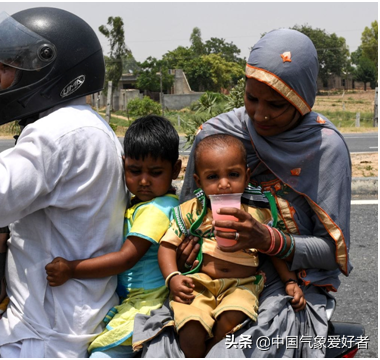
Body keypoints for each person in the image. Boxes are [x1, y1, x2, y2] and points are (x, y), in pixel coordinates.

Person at [0, 8, 128, 358]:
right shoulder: (81, 125)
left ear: (46, 67)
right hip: (63, 318)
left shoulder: (59, 133)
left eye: (7, 65)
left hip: (46, 336)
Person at [133, 28, 352, 358]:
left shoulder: (325, 148)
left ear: (302, 98)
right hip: (205, 278)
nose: (260, 114)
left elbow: (331, 250)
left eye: (277, 104)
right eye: (251, 99)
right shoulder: (217, 135)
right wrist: (185, 254)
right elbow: (189, 217)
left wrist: (269, 240)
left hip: (284, 284)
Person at [45, 115, 182, 358]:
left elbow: (125, 259)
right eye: (134, 170)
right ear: (123, 165)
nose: (143, 181)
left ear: (176, 170)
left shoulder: (157, 209)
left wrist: (71, 269)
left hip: (145, 305)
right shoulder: (141, 204)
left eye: (155, 172)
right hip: (136, 302)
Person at [158, 134, 306, 357]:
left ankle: (211, 349)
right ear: (199, 182)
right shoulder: (194, 210)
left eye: (233, 175)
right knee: (190, 331)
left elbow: (272, 249)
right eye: (213, 177)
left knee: (231, 320)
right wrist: (173, 277)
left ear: (247, 176)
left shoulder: (258, 211)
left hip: (242, 284)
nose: (224, 184)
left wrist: (290, 280)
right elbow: (167, 245)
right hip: (199, 284)